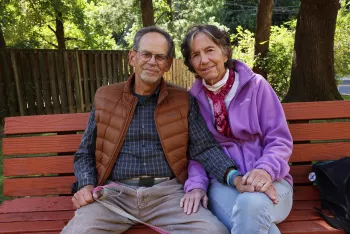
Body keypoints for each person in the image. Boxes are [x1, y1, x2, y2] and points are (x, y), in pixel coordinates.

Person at [61, 26, 233, 234]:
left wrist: (235, 176)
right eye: (146, 54)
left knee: (213, 232)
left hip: (167, 196)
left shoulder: (183, 100)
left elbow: (204, 148)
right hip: (113, 196)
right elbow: (85, 153)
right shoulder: (105, 97)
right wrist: (85, 185)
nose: (152, 62)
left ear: (168, 64)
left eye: (160, 57)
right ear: (132, 57)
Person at [180, 24, 293, 234]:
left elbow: (279, 140)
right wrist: (196, 184)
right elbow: (197, 152)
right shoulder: (193, 101)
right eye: (196, 55)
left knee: (251, 205)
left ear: (225, 52)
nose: (204, 60)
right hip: (223, 184)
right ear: (191, 63)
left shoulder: (257, 86)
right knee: (262, 224)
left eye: (210, 50)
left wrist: (264, 170)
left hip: (273, 181)